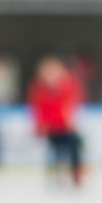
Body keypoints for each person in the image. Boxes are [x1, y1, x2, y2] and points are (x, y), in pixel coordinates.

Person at [28, 56, 84, 187]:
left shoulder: (68, 84)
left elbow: (72, 102)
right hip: (51, 126)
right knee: (55, 150)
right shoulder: (38, 88)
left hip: (66, 125)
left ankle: (76, 175)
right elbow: (37, 107)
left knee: (75, 147)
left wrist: (70, 118)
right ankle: (55, 175)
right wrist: (39, 124)